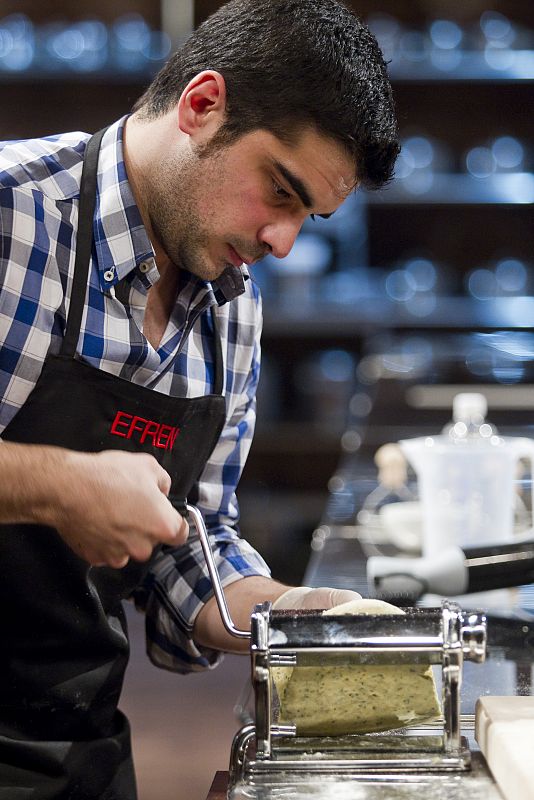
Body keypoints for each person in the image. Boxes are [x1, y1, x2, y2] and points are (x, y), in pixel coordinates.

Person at [0, 0, 399, 797]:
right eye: (280, 192)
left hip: (69, 749)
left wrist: (294, 616)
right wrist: (59, 485)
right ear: (202, 104)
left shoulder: (231, 303)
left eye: (308, 216)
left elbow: (191, 543)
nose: (285, 243)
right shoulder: (14, 216)